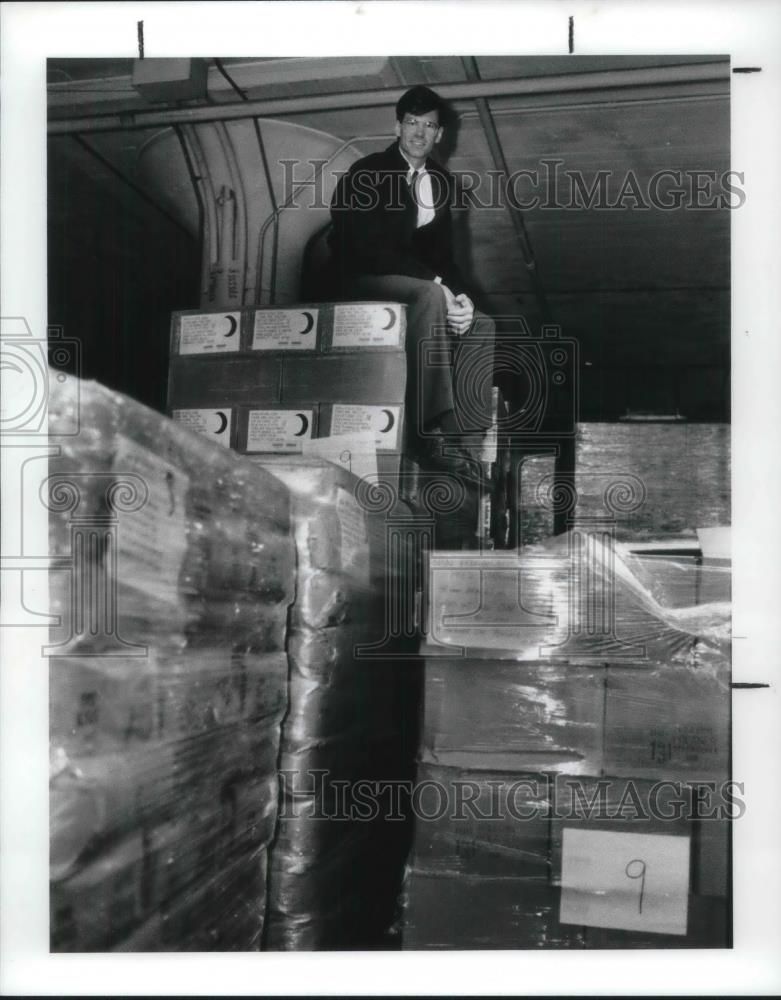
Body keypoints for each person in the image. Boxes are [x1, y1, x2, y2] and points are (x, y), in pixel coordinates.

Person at [329, 85, 495, 486]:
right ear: (398, 126)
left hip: (413, 280)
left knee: (483, 324)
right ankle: (427, 428)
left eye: (430, 126)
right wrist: (439, 285)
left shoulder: (439, 181)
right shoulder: (368, 172)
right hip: (359, 278)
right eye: (412, 123)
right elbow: (366, 248)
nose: (420, 133)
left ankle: (463, 440)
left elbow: (444, 257)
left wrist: (463, 299)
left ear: (440, 134)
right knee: (429, 294)